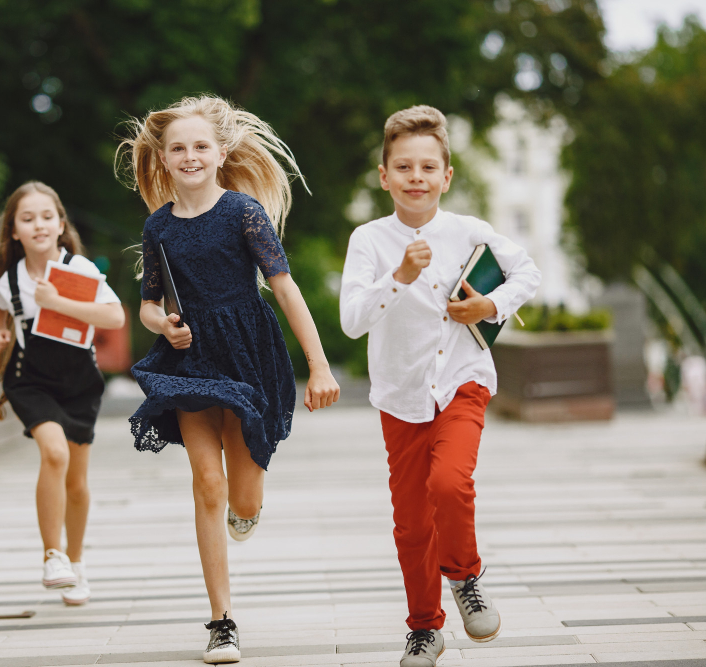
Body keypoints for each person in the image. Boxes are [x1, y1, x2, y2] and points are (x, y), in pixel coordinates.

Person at [116, 95, 340, 664]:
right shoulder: (158, 226)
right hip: (190, 362)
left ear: (219, 153)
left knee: (242, 492)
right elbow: (147, 305)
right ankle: (221, 621)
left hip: (247, 353)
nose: (190, 156)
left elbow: (284, 287)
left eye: (200, 146)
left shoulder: (243, 212)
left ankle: (249, 509)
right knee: (206, 486)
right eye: (178, 149)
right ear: (163, 159)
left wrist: (318, 364)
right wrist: (163, 326)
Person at [340, 106, 541, 667]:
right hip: (400, 399)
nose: (416, 177)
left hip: (462, 383)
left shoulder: (470, 231)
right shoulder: (369, 240)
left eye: (428, 166)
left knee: (450, 485)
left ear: (446, 176)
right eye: (403, 167)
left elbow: (528, 271)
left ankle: (466, 575)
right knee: (410, 523)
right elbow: (352, 320)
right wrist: (398, 277)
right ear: (384, 176)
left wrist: (490, 304)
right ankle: (425, 628)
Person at [0, 181, 125, 606]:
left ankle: (75, 565)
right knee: (54, 453)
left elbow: (113, 317)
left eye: (46, 216)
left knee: (77, 483)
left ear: (60, 225)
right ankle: (52, 556)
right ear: (14, 232)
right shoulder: (8, 282)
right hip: (31, 380)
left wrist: (57, 303)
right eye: (27, 219)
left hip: (80, 383)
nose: (38, 224)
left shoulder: (81, 270)